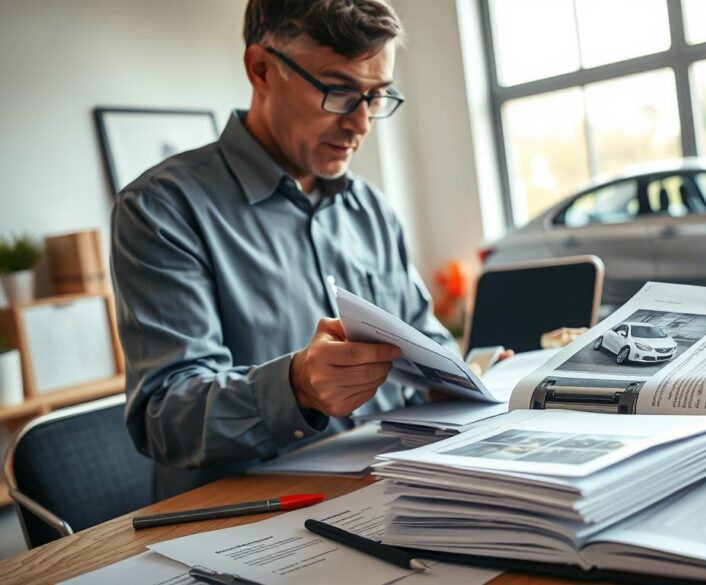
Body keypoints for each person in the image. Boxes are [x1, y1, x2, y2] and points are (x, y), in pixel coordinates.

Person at [110, 0, 453, 500]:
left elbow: (427, 337)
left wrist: (455, 375)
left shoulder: (370, 208)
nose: (360, 124)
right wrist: (295, 389)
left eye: (375, 97)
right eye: (338, 91)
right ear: (261, 69)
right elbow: (165, 419)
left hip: (387, 490)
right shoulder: (161, 210)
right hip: (242, 521)